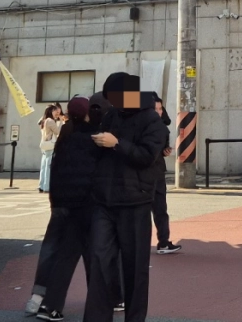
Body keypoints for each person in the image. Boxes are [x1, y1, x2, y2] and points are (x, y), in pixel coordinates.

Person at [84, 73, 168, 322]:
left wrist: (116, 143)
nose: (112, 104)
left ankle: (134, 318)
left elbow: (146, 156)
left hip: (135, 201)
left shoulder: (152, 120)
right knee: (99, 260)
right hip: (104, 200)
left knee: (135, 268)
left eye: (115, 98)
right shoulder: (111, 116)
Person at [35, 97, 100, 322]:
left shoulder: (65, 137)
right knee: (95, 255)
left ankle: (49, 305)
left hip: (66, 206)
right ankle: (103, 301)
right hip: (87, 207)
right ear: (87, 114)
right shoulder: (92, 139)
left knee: (66, 256)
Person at [150, 95, 181, 254]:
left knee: (160, 209)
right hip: (144, 175)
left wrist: (164, 151)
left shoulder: (162, 127)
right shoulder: (148, 128)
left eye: (160, 109)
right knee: (145, 212)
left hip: (157, 172)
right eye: (155, 109)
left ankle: (163, 241)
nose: (158, 112)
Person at [38, 105, 62, 193]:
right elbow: (58, 132)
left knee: (44, 166)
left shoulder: (43, 120)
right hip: (50, 145)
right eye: (55, 111)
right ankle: (47, 187)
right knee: (48, 167)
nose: (57, 113)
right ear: (50, 111)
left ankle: (41, 185)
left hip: (44, 145)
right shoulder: (50, 121)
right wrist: (61, 122)